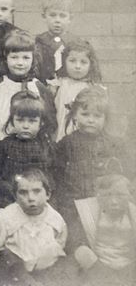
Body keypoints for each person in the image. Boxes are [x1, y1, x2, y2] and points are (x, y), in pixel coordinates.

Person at [53, 86, 133, 219]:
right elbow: (58, 176)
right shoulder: (66, 144)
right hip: (74, 206)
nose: (91, 120)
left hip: (108, 206)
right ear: (75, 115)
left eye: (97, 116)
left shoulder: (115, 144)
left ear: (105, 118)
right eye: (85, 114)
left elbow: (128, 173)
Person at [0, 168, 69, 286]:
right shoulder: (5, 217)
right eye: (23, 192)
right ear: (15, 196)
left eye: (36, 191)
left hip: (45, 269)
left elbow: (60, 245)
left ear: (48, 194)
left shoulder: (55, 220)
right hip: (15, 272)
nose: (31, 198)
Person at [0, 90, 54, 208]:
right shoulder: (3, 147)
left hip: (38, 200)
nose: (25, 126)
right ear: (12, 120)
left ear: (41, 123)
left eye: (32, 121)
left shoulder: (47, 146)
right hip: (10, 199)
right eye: (20, 120)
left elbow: (51, 176)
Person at [0, 29, 56, 137]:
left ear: (33, 59)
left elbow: (49, 119)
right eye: (14, 57)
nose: (20, 63)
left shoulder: (39, 87)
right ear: (6, 59)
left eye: (25, 58)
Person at [70, 174, 136, 286]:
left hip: (128, 267)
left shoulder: (133, 213)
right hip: (96, 267)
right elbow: (77, 245)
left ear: (130, 194)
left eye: (120, 195)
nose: (113, 201)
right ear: (98, 196)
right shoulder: (87, 212)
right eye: (106, 195)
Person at [50, 39, 103, 141]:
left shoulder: (93, 88)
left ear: (90, 64)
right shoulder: (57, 85)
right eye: (72, 61)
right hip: (59, 134)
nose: (77, 66)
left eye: (83, 62)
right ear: (64, 61)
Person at [35, 0, 77, 82]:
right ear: (44, 17)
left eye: (62, 16)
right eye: (52, 15)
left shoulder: (76, 44)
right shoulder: (37, 42)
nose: (57, 20)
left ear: (70, 18)